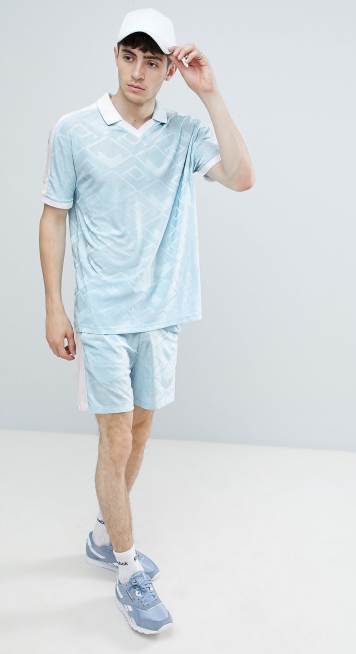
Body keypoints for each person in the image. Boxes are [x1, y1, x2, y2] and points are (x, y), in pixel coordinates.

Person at [38, 7, 255, 635]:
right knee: (116, 439)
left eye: (152, 61)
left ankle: (104, 535)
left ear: (168, 70)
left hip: (163, 312)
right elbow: (53, 215)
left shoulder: (182, 134)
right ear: (116, 56)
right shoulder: (74, 130)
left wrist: (210, 93)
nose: (138, 71)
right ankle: (129, 569)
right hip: (104, 313)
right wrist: (54, 303)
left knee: (139, 429)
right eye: (130, 57)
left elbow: (242, 177)